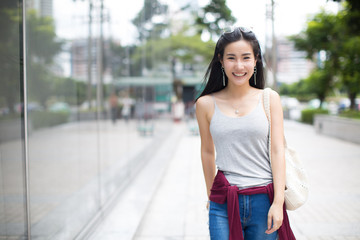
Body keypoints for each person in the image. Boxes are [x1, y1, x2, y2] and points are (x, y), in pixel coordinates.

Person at [195, 27, 295, 240]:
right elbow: (206, 152)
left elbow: (277, 150)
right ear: (220, 61)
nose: (239, 66)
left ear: (256, 60)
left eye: (246, 58)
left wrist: (278, 202)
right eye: (231, 58)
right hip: (223, 200)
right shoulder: (205, 104)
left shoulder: (270, 99)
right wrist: (210, 194)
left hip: (264, 201)